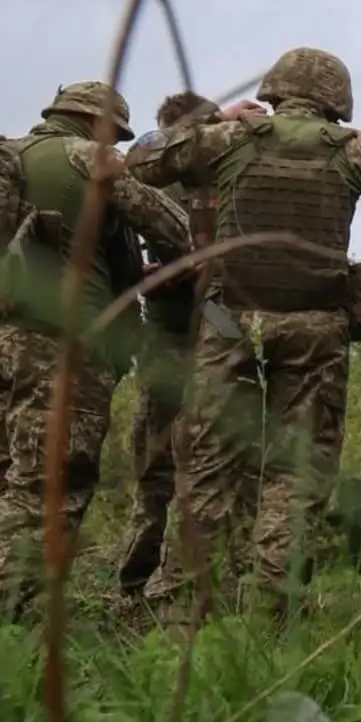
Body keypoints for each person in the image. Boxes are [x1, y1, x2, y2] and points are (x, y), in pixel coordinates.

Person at [124, 47, 361, 619]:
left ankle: (180, 610)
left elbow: (139, 159)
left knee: (207, 463)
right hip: (315, 327)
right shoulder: (352, 151)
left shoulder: (232, 137)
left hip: (227, 322)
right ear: (337, 102)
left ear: (272, 89)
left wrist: (212, 121)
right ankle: (274, 605)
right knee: (297, 471)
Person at [0, 82, 190, 617]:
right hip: (55, 342)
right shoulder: (88, 159)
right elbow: (172, 225)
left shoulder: (4, 154)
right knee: (50, 479)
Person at [113, 90, 219, 596]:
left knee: (158, 466)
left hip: (185, 330)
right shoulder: (223, 171)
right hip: (208, 330)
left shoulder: (154, 179)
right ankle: (175, 579)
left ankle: (141, 582)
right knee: (208, 463)